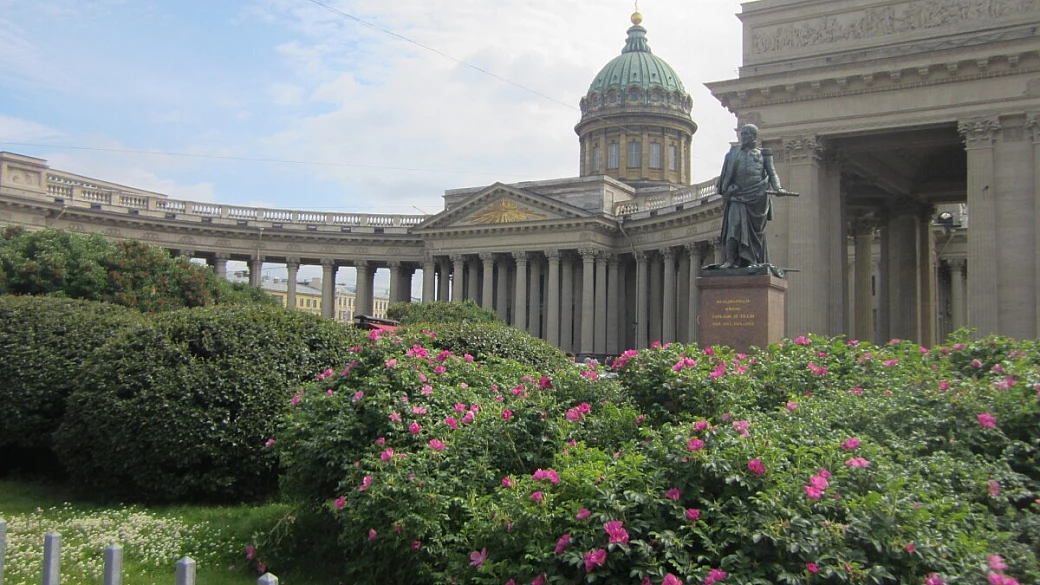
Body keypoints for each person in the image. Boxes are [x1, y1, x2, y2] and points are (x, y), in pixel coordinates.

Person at [715, 124, 785, 268]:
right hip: (737, 196)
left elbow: (772, 173)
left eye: (746, 134)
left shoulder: (764, 154)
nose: (743, 137)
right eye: (742, 134)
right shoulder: (732, 154)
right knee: (733, 227)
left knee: (755, 232)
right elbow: (724, 179)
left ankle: (751, 261)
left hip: (758, 197)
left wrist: (778, 188)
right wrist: (728, 188)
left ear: (754, 136)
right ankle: (730, 260)